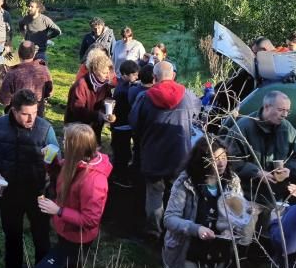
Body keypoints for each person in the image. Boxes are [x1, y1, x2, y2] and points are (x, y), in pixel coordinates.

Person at [152, 138, 246, 268]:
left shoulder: (232, 181)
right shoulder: (186, 181)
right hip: (186, 249)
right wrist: (196, 229)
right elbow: (170, 218)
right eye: (213, 158)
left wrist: (235, 226)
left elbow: (238, 214)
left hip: (217, 250)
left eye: (223, 157)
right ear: (201, 160)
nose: (220, 163)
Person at [33, 123, 111, 268]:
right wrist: (50, 162)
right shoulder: (73, 162)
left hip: (78, 238)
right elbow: (59, 174)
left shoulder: (94, 181)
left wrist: (58, 211)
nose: (62, 143)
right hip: (65, 230)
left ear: (76, 148)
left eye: (66, 142)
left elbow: (91, 219)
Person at [0, 89, 58, 268]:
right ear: (14, 110)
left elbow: (57, 159)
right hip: (10, 193)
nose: (31, 118)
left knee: (41, 240)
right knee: (12, 236)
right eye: (26, 114)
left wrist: (52, 157)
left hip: (38, 193)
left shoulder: (45, 129)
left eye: (35, 112)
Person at [129, 61, 200, 239]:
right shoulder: (188, 96)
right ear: (173, 76)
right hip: (180, 155)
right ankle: (174, 230)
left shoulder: (144, 97)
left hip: (153, 155)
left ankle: (153, 231)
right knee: (176, 193)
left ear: (154, 77)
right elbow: (198, 115)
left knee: (154, 194)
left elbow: (134, 123)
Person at [226, 90, 296, 208]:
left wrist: (289, 169)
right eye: (281, 110)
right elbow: (230, 160)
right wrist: (257, 173)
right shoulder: (243, 127)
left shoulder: (287, 129)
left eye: (287, 111)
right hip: (248, 196)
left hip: (278, 198)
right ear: (266, 107)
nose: (285, 115)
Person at [64, 52, 116, 142]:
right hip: (78, 129)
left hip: (94, 128)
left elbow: (108, 98)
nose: (107, 76)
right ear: (94, 71)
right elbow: (77, 109)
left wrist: (109, 109)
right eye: (104, 73)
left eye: (108, 72)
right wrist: (98, 115)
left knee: (94, 153)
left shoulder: (104, 84)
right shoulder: (81, 85)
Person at [0, 41, 53, 116]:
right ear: (34, 54)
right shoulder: (43, 70)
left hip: (16, 117)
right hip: (37, 114)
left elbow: (4, 99)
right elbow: (49, 92)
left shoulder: (12, 73)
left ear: (19, 54)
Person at [110, 59, 140, 182]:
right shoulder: (124, 90)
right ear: (124, 75)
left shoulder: (124, 85)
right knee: (122, 153)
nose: (137, 76)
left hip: (121, 126)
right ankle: (119, 177)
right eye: (134, 74)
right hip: (121, 126)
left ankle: (119, 174)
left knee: (122, 151)